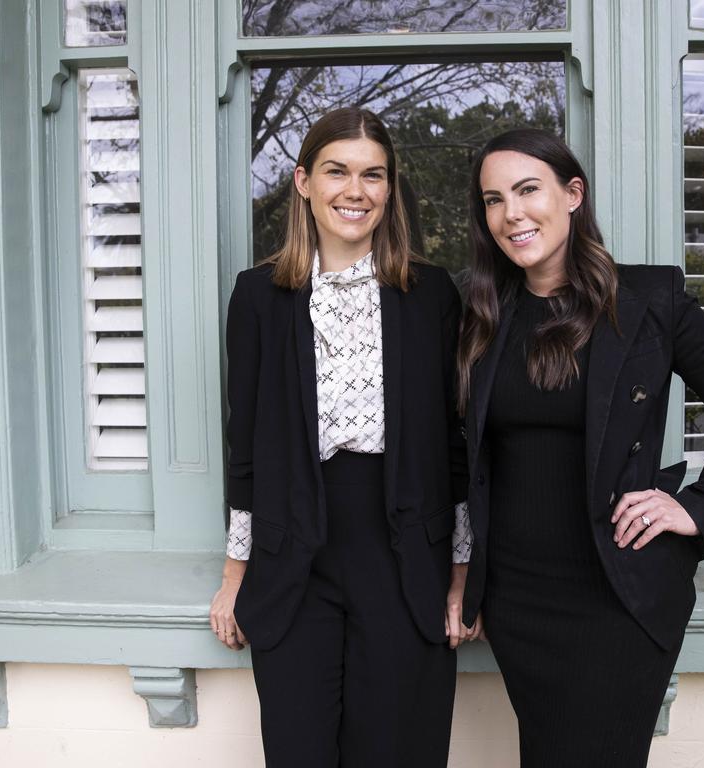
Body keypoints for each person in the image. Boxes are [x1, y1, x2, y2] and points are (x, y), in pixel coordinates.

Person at [456, 128, 704, 766]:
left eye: (528, 190)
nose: (512, 214)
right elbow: (458, 456)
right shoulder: (480, 313)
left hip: (618, 595)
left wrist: (696, 506)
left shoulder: (647, 301)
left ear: (572, 194)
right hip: (518, 600)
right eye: (493, 200)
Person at [209, 107, 475, 768]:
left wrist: (461, 574)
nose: (355, 191)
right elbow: (245, 448)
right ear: (303, 181)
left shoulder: (431, 294)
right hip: (294, 559)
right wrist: (233, 574)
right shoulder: (259, 297)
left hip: (404, 557)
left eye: (372, 175)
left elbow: (455, 447)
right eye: (337, 171)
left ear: (389, 189)